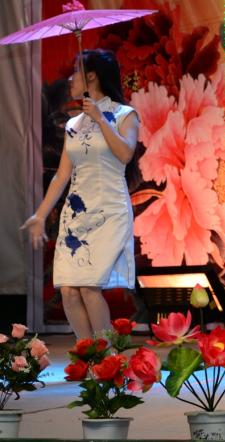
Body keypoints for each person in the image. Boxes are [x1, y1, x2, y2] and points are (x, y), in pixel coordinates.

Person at [21, 49, 140, 339]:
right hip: (77, 213)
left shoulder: (125, 115)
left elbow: (125, 154)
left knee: (88, 286)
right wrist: (40, 215)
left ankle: (107, 356)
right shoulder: (74, 124)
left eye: (77, 71)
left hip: (109, 210)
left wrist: (100, 119)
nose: (71, 78)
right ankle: (88, 355)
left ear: (92, 76)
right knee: (69, 291)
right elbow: (62, 175)